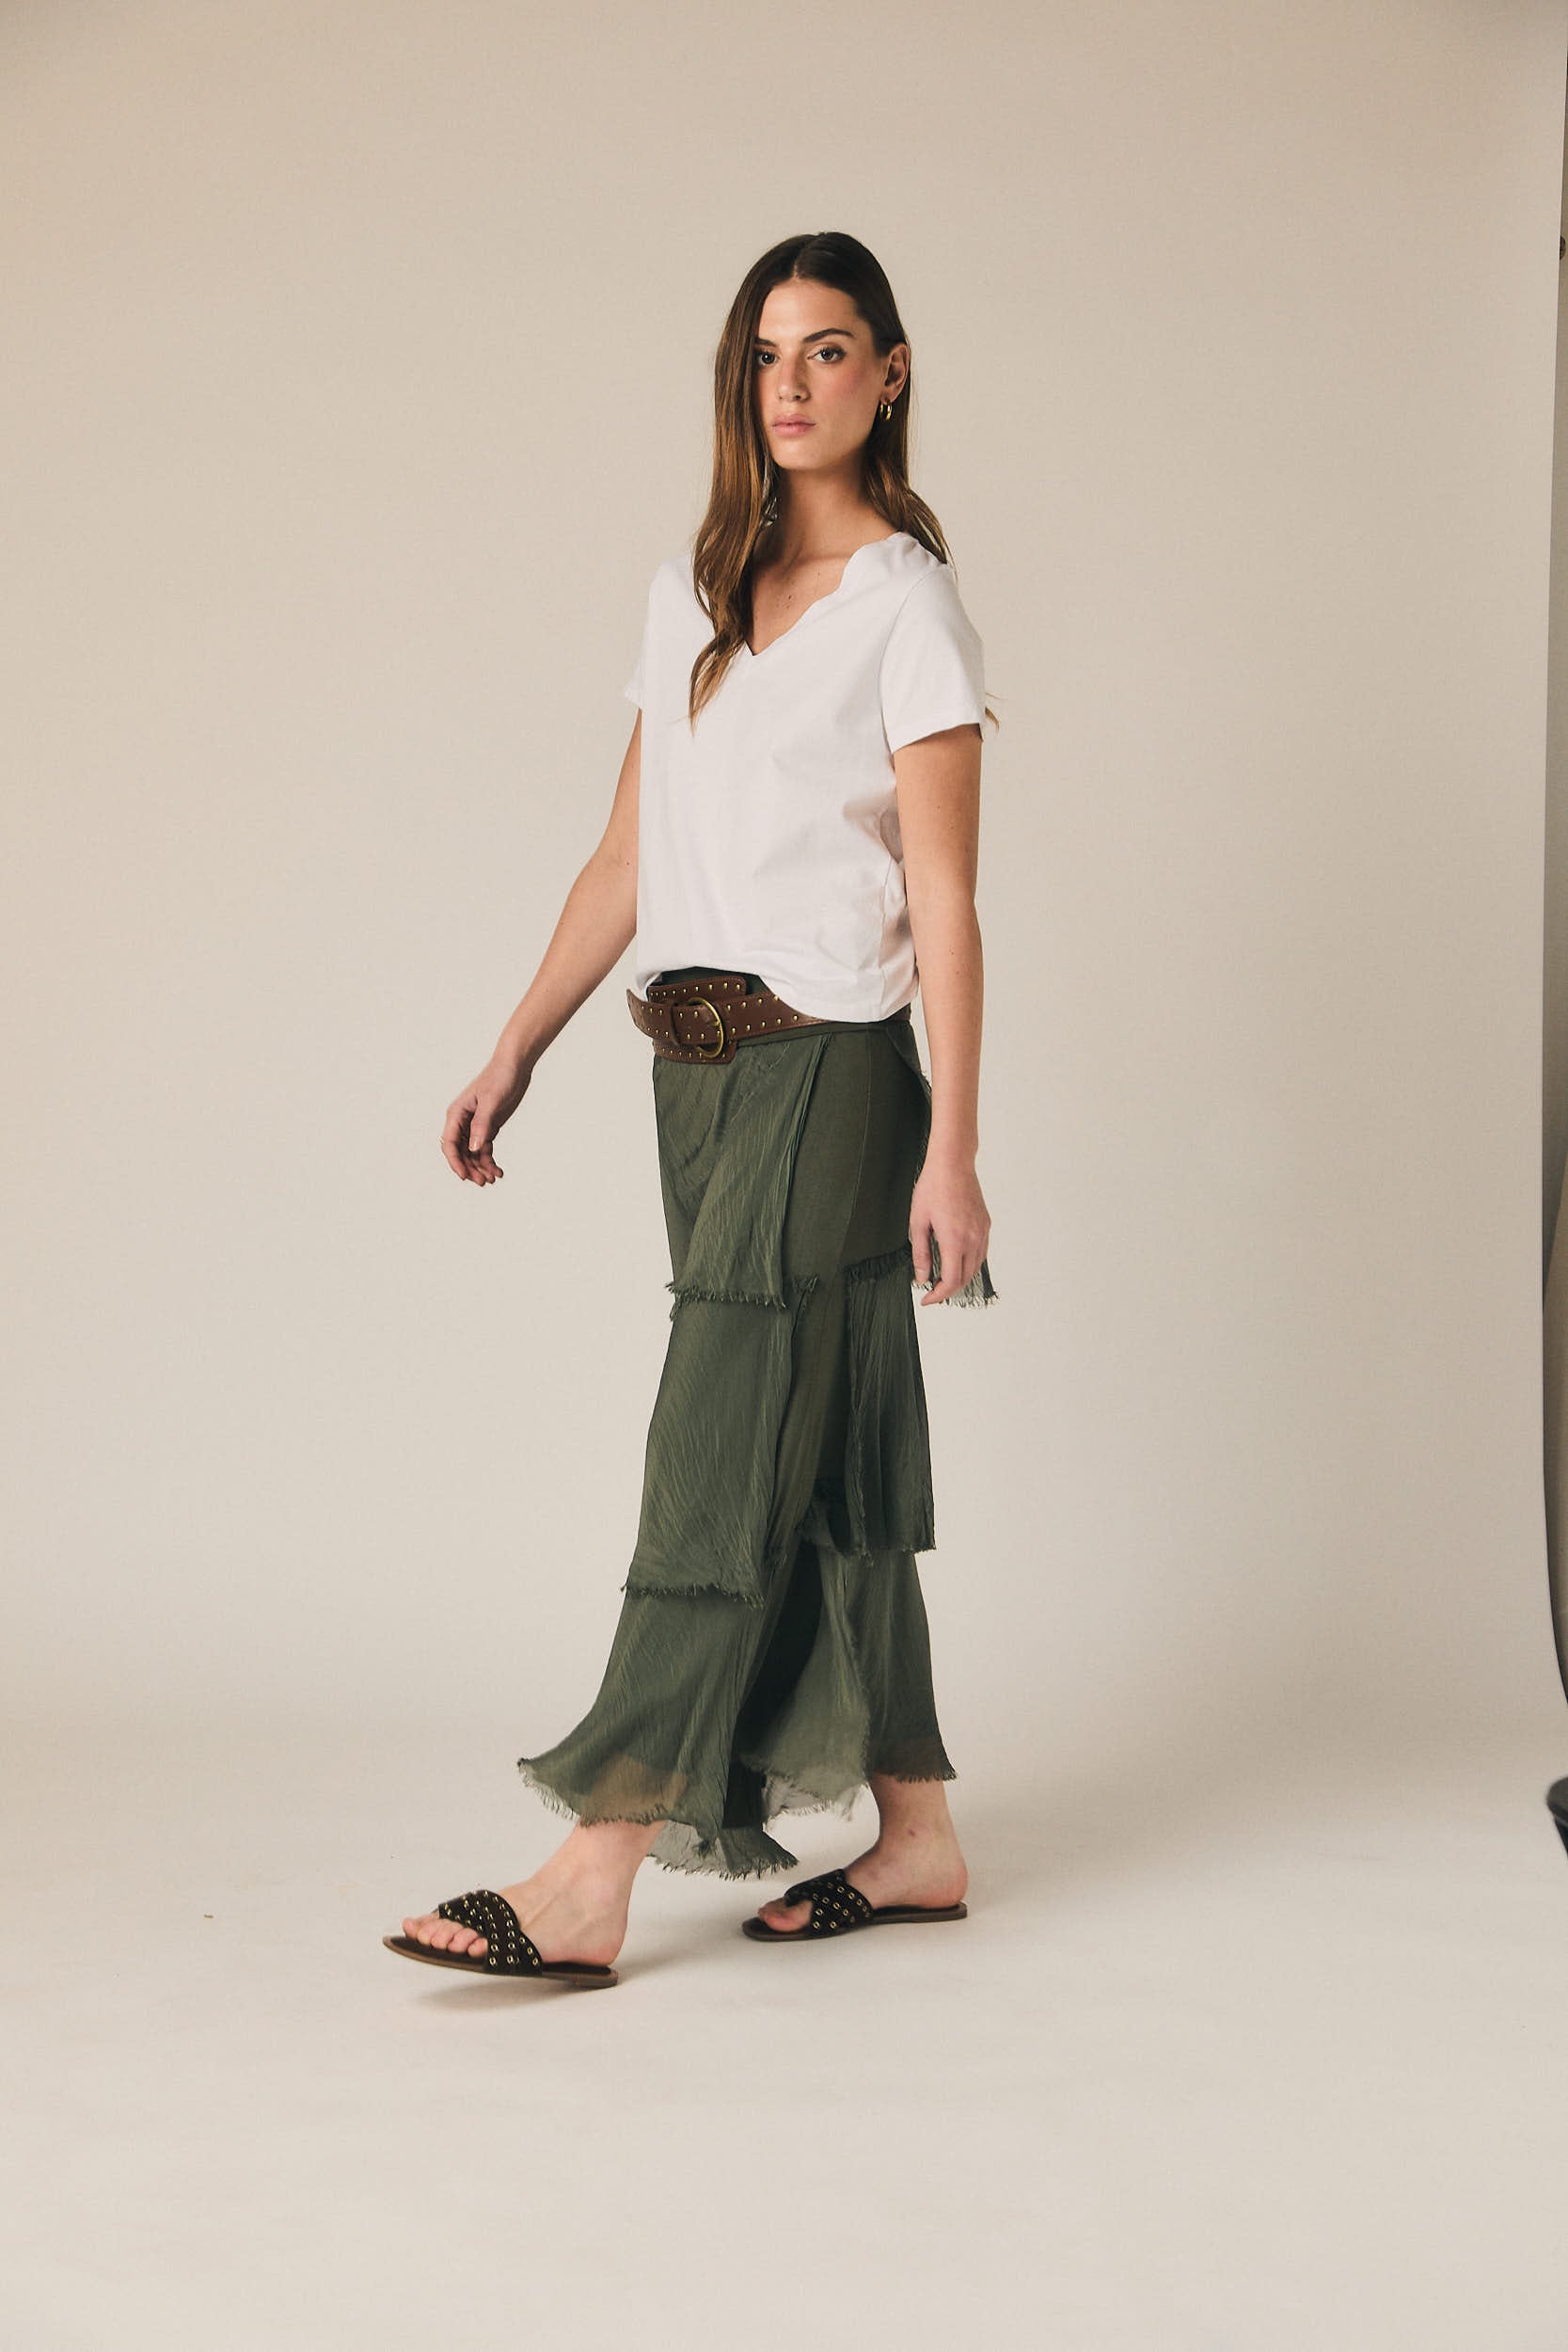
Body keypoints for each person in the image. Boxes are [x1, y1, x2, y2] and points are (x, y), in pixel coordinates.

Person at [384, 230, 998, 1990]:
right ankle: (919, 1833)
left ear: (890, 371)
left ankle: (593, 1870)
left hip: (832, 1076)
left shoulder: (908, 609)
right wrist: (519, 1043)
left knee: (716, 1446)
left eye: (828, 350)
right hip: (695, 1076)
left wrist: (955, 1146)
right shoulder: (696, 597)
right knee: (825, 1446)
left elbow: (946, 900)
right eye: (765, 357)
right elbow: (626, 857)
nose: (791, 385)